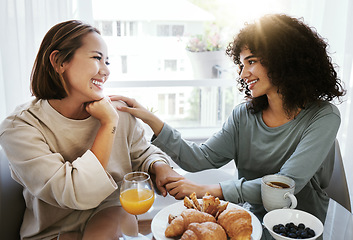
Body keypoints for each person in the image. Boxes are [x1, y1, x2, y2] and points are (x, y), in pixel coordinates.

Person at [111, 13, 346, 226]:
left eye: (251, 61)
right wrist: (150, 118)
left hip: (299, 225)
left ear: (284, 59)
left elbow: (285, 185)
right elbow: (199, 158)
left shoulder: (323, 116)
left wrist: (207, 190)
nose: (243, 74)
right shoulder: (244, 115)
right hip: (249, 221)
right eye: (242, 64)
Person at [0, 20, 180, 240]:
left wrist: (158, 165)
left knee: (112, 216)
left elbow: (142, 152)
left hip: (111, 218)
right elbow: (77, 194)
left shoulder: (117, 111)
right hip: (55, 232)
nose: (106, 71)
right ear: (58, 61)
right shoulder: (20, 127)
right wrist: (107, 125)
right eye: (97, 58)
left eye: (107, 61)